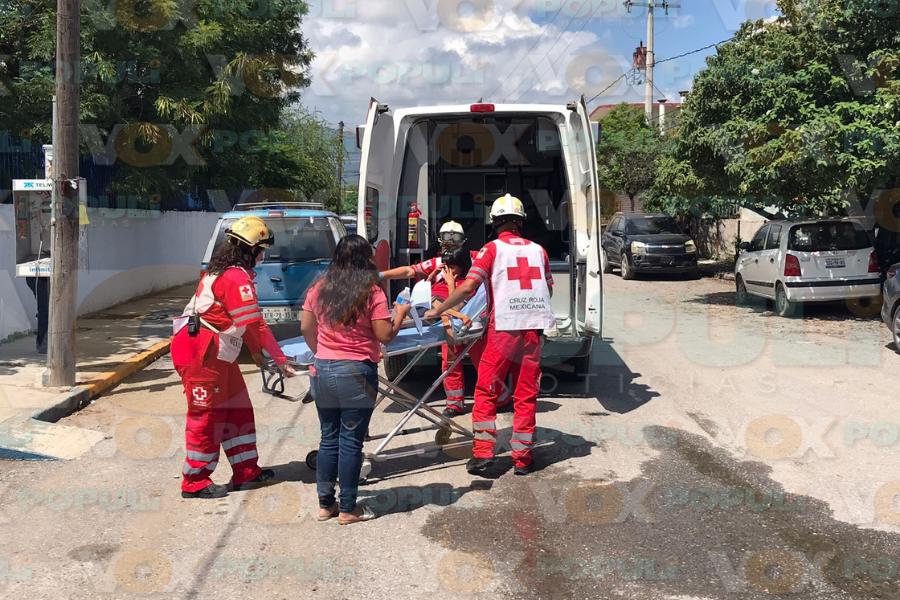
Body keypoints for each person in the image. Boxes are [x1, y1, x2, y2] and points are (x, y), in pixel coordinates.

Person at [426, 194, 554, 476]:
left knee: (486, 391)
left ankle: (484, 455)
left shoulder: (490, 250)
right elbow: (549, 290)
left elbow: (469, 287)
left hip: (502, 332)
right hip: (532, 332)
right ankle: (523, 459)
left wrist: (439, 310)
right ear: (521, 221)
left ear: (494, 221)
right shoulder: (539, 251)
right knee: (526, 394)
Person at [171, 216, 297, 499]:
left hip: (217, 351)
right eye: (262, 250)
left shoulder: (227, 272)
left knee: (238, 409)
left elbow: (246, 322)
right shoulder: (235, 277)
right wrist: (279, 359)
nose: (263, 256)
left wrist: (256, 354)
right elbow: (256, 325)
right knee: (207, 416)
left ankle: (246, 471)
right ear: (251, 249)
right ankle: (194, 482)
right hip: (201, 353)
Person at [301, 234, 411, 525]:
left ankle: (326, 505)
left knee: (328, 438)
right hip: (357, 373)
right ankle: (349, 508)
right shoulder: (372, 292)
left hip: (323, 370)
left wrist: (322, 352)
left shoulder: (318, 287)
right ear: (367, 259)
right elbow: (384, 335)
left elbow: (305, 326)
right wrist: (400, 314)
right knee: (350, 441)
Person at [380, 221, 487, 417]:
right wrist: (380, 275)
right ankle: (455, 403)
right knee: (450, 358)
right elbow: (409, 271)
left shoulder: (476, 258)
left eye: (454, 242)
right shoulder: (437, 263)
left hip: (462, 312)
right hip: (438, 310)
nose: (450, 247)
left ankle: (495, 397)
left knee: (484, 362)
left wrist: (451, 284)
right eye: (446, 242)